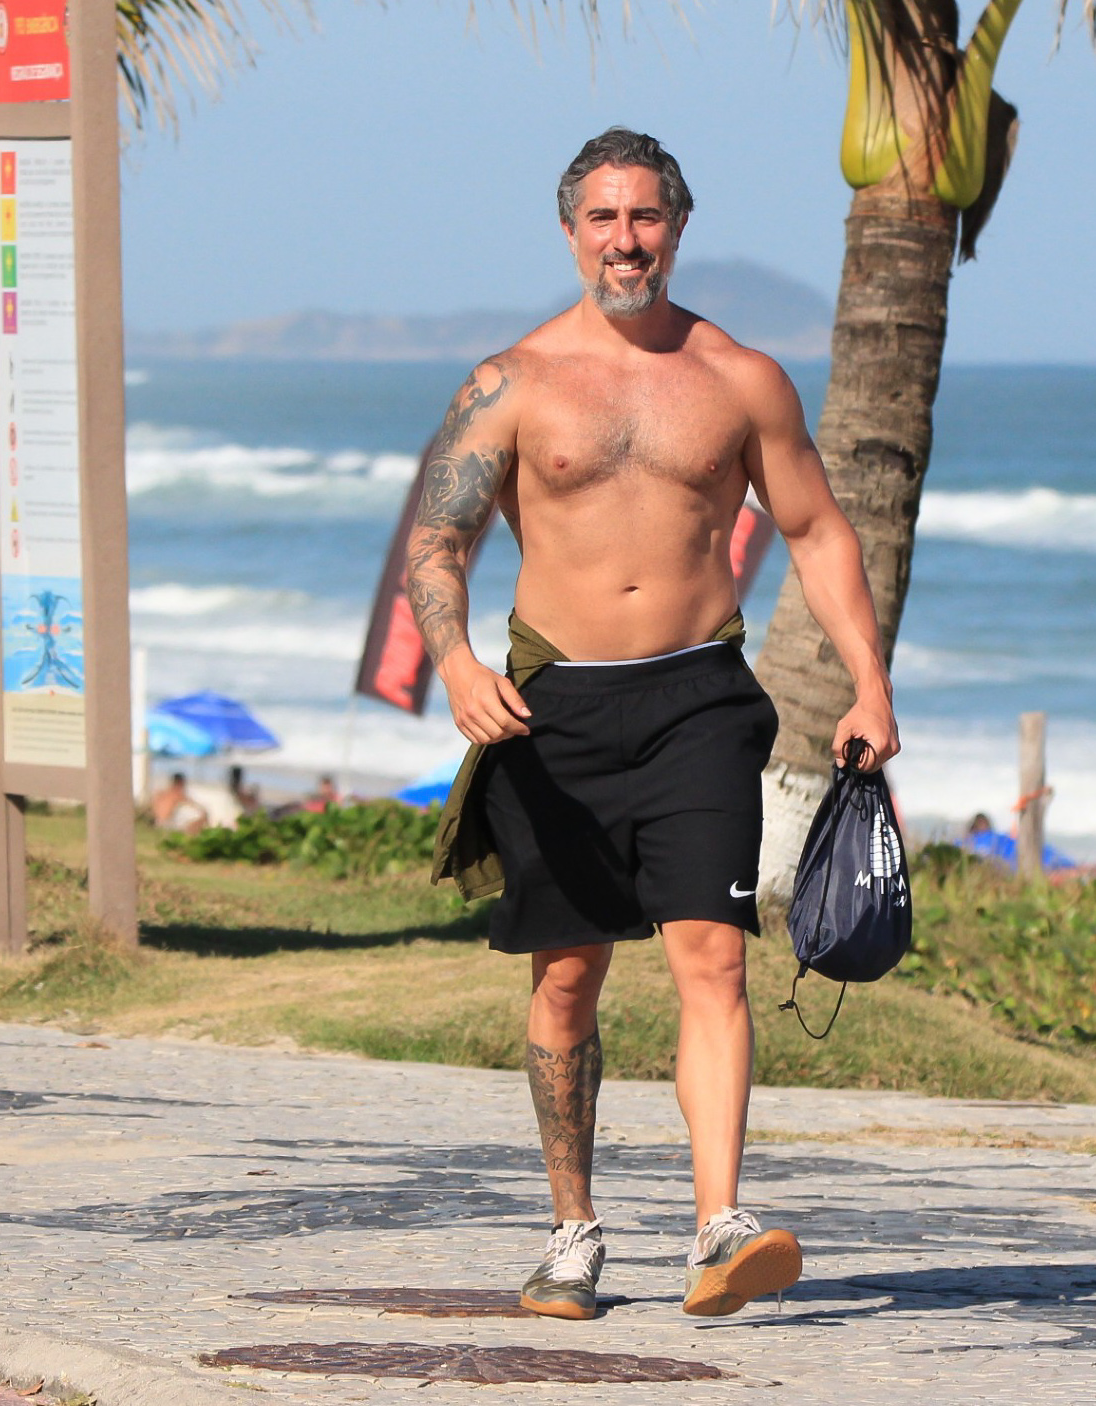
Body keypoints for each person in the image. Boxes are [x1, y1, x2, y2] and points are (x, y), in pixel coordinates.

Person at [406, 128, 898, 1321]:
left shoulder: (739, 379)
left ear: (677, 226)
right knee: (567, 977)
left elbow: (820, 530)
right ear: (570, 230)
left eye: (646, 218)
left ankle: (717, 1223)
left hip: (698, 701)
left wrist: (868, 682)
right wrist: (456, 659)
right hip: (554, 707)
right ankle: (572, 1232)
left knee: (712, 958)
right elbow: (437, 537)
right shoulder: (510, 382)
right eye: (603, 219)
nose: (626, 240)